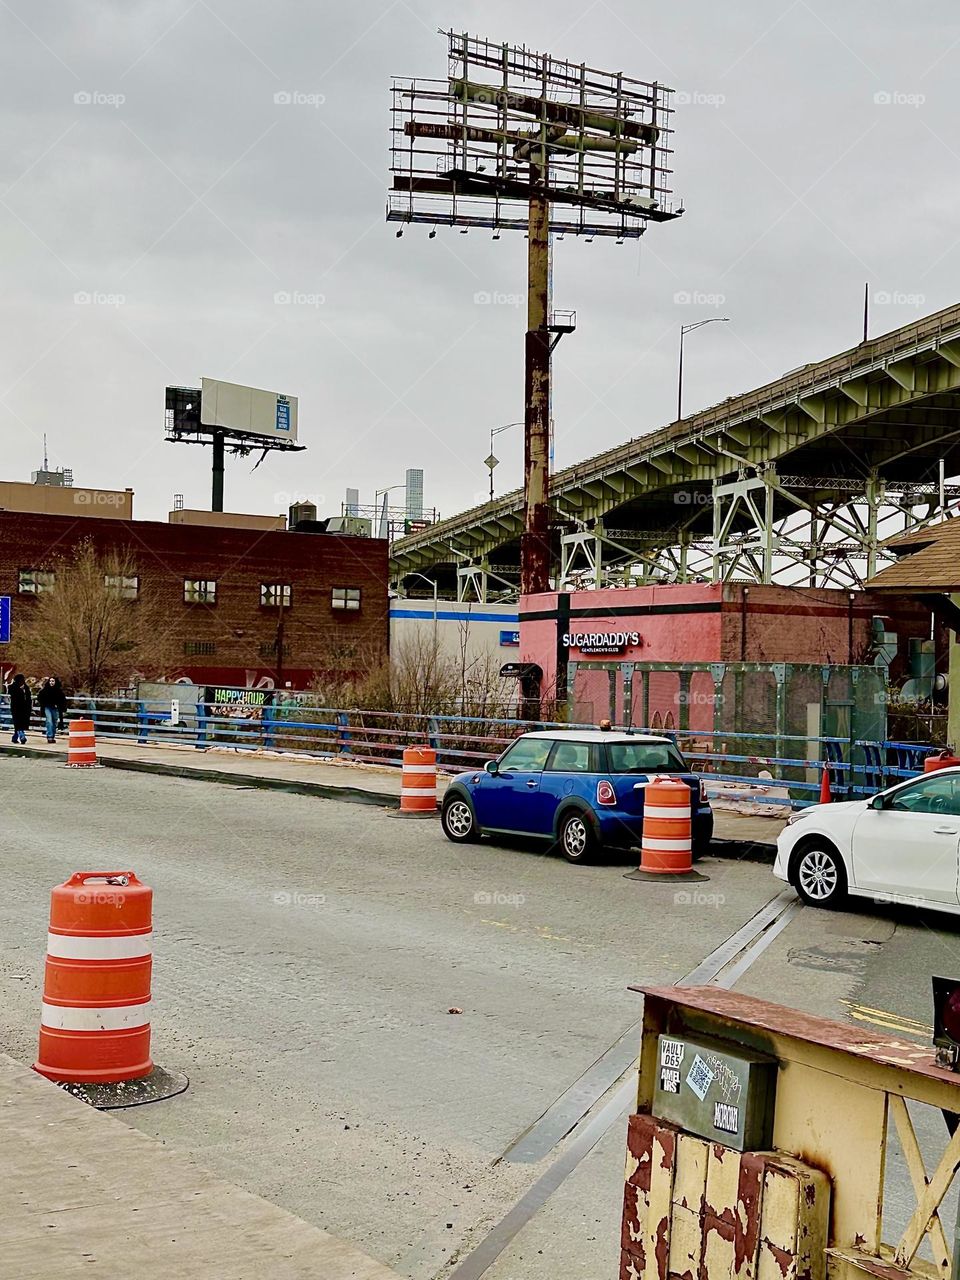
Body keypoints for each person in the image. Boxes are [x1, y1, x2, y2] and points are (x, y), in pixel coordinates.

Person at [37, 676, 67, 744]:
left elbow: (63, 700)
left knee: (54, 722)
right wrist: (43, 703)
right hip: (47, 707)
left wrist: (62, 707)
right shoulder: (45, 690)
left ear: (55, 682)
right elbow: (39, 697)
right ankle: (49, 736)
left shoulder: (59, 691)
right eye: (50, 681)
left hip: (55, 708)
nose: (51, 682)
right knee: (49, 721)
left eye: (53, 681)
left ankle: (52, 736)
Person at [8, 673, 31, 744]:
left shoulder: (26, 688)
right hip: (15, 708)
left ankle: (15, 737)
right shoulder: (13, 687)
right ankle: (22, 735)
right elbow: (10, 692)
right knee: (17, 722)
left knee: (21, 722)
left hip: (24, 708)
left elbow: (28, 698)